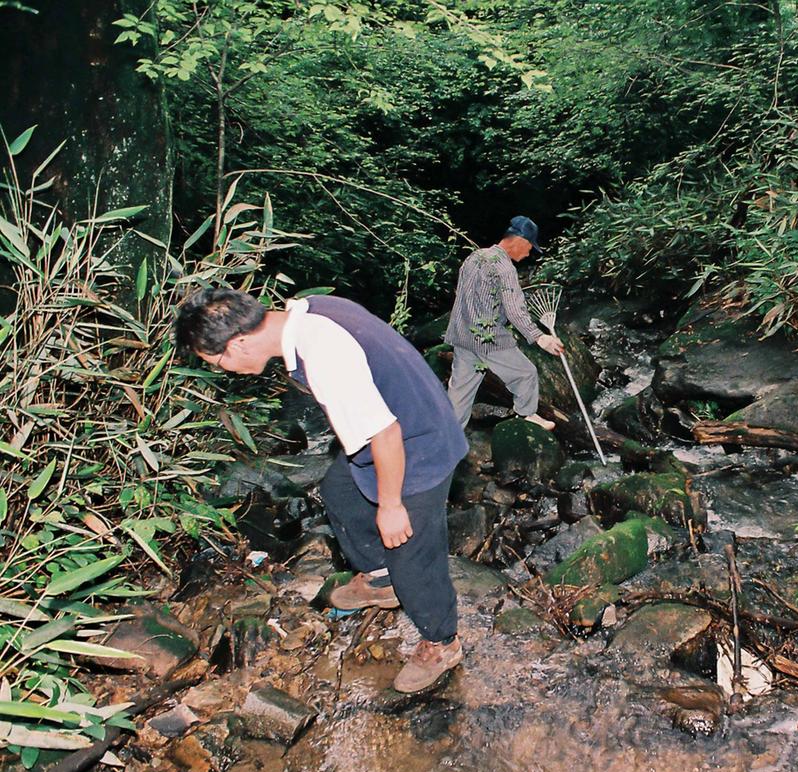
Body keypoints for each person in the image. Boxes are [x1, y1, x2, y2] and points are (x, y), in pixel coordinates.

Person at [174, 289, 468, 692]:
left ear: (238, 342)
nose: (227, 371)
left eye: (219, 361)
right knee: (340, 491)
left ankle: (441, 643)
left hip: (418, 444)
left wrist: (391, 505)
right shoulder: (308, 311)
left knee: (410, 550)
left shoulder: (324, 356)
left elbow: (386, 433)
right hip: (404, 419)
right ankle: (382, 580)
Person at [444, 215, 564, 430]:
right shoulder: (504, 268)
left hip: (461, 334)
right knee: (526, 373)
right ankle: (527, 414)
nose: (527, 254)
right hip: (488, 337)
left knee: (460, 392)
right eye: (529, 248)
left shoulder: (474, 257)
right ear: (519, 241)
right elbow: (514, 309)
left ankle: (449, 435)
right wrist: (539, 337)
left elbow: (460, 296)